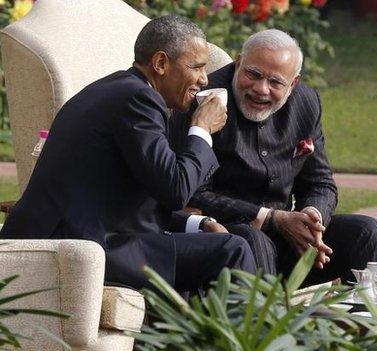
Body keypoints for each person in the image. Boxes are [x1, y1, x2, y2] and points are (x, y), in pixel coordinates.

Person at [0, 15, 255, 291]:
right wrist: (201, 129)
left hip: (90, 236)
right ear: (160, 63)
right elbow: (176, 189)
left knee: (214, 248)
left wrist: (200, 223)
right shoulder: (138, 100)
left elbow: (140, 203)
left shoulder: (117, 90)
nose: (204, 80)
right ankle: (246, 335)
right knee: (233, 249)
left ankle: (199, 334)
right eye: (197, 67)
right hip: (81, 248)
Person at [168, 29, 377, 285]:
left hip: (290, 240)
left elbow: (320, 183)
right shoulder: (202, 101)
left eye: (275, 82)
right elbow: (191, 191)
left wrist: (312, 218)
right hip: (230, 235)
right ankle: (267, 324)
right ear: (238, 62)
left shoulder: (306, 102)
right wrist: (272, 219)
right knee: (253, 240)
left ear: (293, 83)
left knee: (366, 232)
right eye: (253, 74)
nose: (261, 89)